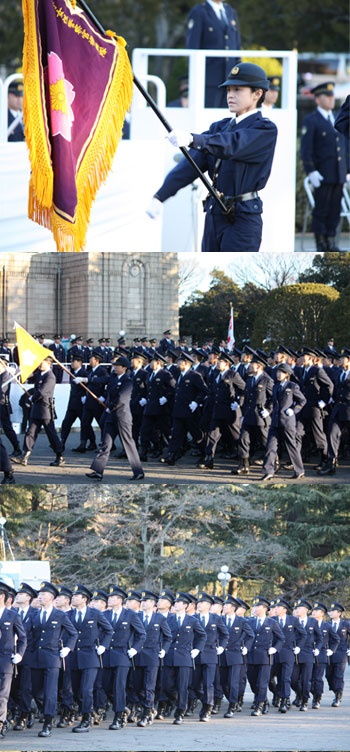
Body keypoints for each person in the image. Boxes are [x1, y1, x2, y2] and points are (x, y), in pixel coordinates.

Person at [147, 63, 277, 252]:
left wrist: (193, 138)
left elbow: (233, 145)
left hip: (243, 216)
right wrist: (160, 195)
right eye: (229, 90)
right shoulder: (220, 128)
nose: (230, 95)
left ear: (257, 93)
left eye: (238, 90)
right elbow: (191, 166)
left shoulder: (264, 129)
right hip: (215, 213)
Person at [300, 81, 350, 251]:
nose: (330, 99)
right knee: (321, 210)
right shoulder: (312, 120)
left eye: (331, 96)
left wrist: (347, 169)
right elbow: (306, 149)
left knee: (335, 210)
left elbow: (345, 147)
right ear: (317, 99)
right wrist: (311, 170)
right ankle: (321, 243)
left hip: (338, 173)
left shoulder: (337, 117)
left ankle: (331, 242)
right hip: (322, 173)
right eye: (326, 96)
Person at [26, 581, 78, 738]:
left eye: (43, 595)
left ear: (51, 597)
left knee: (50, 691)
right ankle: (45, 710)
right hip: (35, 658)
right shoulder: (33, 614)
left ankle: (48, 722)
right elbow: (25, 633)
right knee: (35, 690)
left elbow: (73, 633)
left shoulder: (60, 615)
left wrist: (68, 648)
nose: (39, 597)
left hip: (52, 658)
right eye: (39, 594)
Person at [86, 356, 144, 482]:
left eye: (117, 365)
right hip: (111, 417)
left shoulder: (128, 381)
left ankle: (138, 471)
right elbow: (103, 380)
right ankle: (98, 470)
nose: (114, 367)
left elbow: (122, 399)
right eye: (114, 365)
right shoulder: (113, 377)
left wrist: (109, 407)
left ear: (124, 367)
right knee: (105, 444)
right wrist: (86, 379)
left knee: (128, 444)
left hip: (122, 417)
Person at [186, 0, 241, 108]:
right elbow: (193, 46)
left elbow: (236, 44)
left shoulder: (230, 11)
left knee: (228, 118)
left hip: (229, 77)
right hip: (208, 77)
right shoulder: (199, 12)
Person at [12, 356, 64, 468]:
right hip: (36, 408)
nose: (40, 364)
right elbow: (29, 376)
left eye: (43, 363)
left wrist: (32, 398)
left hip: (45, 409)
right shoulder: (41, 374)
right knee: (30, 432)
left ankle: (59, 455)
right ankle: (25, 455)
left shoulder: (50, 376)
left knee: (51, 434)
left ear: (49, 364)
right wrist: (15, 374)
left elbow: (42, 391)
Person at [261, 363, 306, 481]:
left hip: (287, 422)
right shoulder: (276, 386)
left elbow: (302, 401)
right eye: (277, 372)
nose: (278, 374)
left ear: (287, 374)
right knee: (270, 447)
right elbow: (273, 402)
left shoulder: (292, 386)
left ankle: (299, 470)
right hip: (275, 421)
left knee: (292, 447)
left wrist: (293, 410)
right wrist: (268, 410)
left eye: (281, 372)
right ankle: (268, 471)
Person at [0, 582, 27, 739]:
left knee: (3, 694)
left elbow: (23, 637)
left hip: (5, 659)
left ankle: (1, 722)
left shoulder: (12, 615)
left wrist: (20, 654)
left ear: (2, 596)